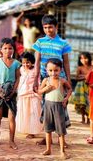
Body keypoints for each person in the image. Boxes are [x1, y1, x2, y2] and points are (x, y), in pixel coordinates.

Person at [32, 14, 72, 145]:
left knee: (61, 108)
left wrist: (69, 79)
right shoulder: (39, 42)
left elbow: (66, 63)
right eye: (45, 27)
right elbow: (37, 63)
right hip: (45, 79)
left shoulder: (63, 43)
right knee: (46, 107)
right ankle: (47, 136)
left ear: (56, 27)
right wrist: (35, 79)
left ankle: (62, 139)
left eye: (50, 27)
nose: (48, 30)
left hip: (60, 80)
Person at [38, 58, 72, 159]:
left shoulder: (62, 81)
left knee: (60, 130)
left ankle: (62, 151)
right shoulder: (46, 80)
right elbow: (39, 91)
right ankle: (48, 149)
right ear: (46, 70)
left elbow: (70, 89)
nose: (53, 73)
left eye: (56, 70)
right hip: (48, 106)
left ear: (60, 70)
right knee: (47, 129)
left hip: (59, 107)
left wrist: (66, 98)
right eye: (50, 70)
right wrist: (45, 89)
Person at [0, 38, 21, 149]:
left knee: (11, 117)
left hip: (11, 92)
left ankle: (11, 140)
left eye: (10, 48)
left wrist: (13, 91)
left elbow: (18, 78)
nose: (8, 50)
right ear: (1, 50)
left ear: (13, 50)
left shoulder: (17, 63)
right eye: (5, 48)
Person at [16, 51, 42, 138]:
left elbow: (38, 81)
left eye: (27, 62)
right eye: (23, 63)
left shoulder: (36, 70)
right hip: (23, 93)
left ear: (32, 62)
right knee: (24, 112)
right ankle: (26, 129)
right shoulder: (21, 69)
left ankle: (32, 131)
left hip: (33, 94)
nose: (25, 64)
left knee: (33, 112)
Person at [72, 51, 92, 124]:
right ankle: (83, 117)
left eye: (85, 58)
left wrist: (86, 77)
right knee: (82, 103)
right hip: (81, 87)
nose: (83, 60)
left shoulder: (92, 67)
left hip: (90, 86)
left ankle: (89, 118)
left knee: (89, 102)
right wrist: (85, 77)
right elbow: (77, 77)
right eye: (81, 59)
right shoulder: (80, 68)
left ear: (89, 58)